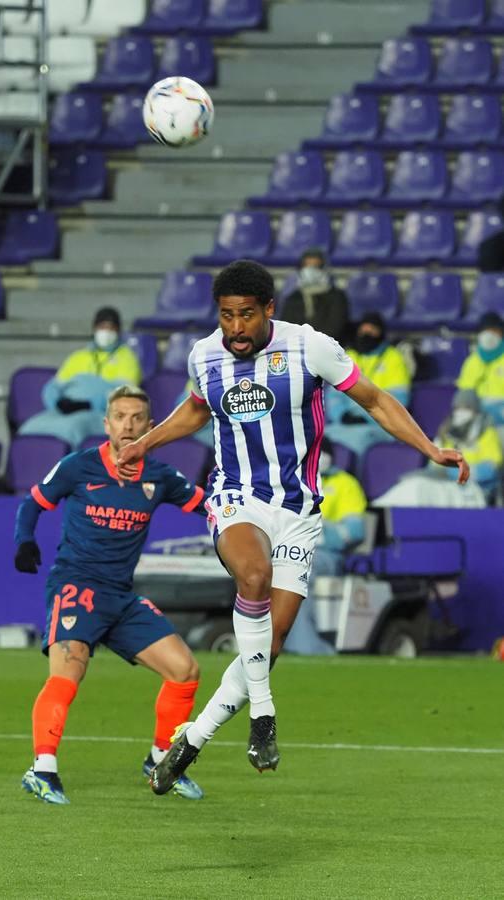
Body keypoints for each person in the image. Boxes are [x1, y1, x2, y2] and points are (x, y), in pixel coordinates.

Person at [115, 259, 469, 795]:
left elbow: (375, 399)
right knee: (253, 576)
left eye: (246, 315)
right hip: (237, 498)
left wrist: (430, 448)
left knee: (270, 643)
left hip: (298, 510)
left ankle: (190, 741)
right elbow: (196, 409)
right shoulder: (204, 354)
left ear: (269, 310)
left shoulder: (310, 347)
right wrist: (146, 442)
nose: (236, 327)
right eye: (227, 315)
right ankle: (263, 714)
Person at [14, 384, 207, 804]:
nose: (128, 425)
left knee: (185, 669)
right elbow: (33, 503)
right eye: (120, 417)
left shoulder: (160, 476)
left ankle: (161, 761)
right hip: (76, 587)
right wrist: (24, 539)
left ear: (151, 427)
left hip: (120, 597)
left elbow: (207, 506)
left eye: (137, 418)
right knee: (68, 673)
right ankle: (41, 769)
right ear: (106, 424)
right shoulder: (78, 466)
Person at [283, 436, 367, 655]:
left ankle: (307, 647)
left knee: (296, 570)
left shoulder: (344, 483)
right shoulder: (290, 481)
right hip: (287, 547)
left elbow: (354, 532)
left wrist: (315, 529)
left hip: (326, 555)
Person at [19, 307, 142, 449]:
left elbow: (124, 395)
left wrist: (90, 404)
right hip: (65, 412)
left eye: (111, 328)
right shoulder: (78, 357)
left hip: (101, 413)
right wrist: (57, 403)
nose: (106, 332)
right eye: (102, 327)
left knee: (71, 429)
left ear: (118, 331)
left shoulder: (127, 358)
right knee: (29, 428)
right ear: (94, 329)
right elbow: (54, 387)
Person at [325, 311, 412, 456]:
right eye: (364, 329)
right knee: (319, 438)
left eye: (372, 330)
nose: (367, 333)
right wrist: (342, 415)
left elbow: (399, 400)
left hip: (380, 425)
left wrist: (367, 418)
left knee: (358, 440)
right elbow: (333, 396)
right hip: (346, 422)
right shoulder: (349, 357)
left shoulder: (393, 357)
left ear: (380, 333)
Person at [434, 389, 502, 502]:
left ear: (475, 410)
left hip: (480, 488)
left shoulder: (486, 431)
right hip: (449, 486)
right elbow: (434, 462)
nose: (461, 412)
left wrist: (465, 473)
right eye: (458, 408)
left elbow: (493, 465)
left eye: (466, 408)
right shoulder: (446, 431)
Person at [280, 247, 349, 343]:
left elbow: (335, 327)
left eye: (316, 266)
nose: (310, 270)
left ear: (324, 268)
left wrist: (313, 343)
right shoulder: (294, 297)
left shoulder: (337, 297)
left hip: (328, 346)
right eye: (307, 266)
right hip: (298, 346)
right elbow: (287, 326)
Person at [456, 312, 504, 427]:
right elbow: (464, 394)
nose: (489, 335)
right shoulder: (472, 361)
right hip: (477, 416)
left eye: (494, 330)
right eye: (485, 331)